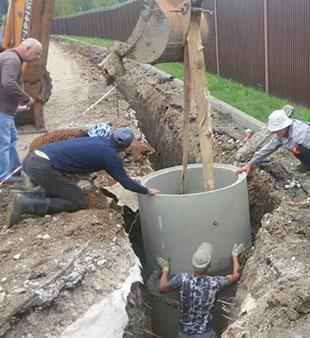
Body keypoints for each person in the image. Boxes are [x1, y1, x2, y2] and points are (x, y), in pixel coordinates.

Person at [6, 127, 160, 227]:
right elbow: (126, 182)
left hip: (31, 158)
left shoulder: (98, 140)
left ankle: (28, 195)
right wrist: (147, 190)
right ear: (125, 147)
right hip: (42, 167)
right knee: (78, 200)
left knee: (64, 189)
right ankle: (27, 203)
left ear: (111, 135)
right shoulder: (112, 157)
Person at [157, 242, 244, 338]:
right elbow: (236, 275)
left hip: (183, 334)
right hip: (205, 334)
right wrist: (234, 256)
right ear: (209, 264)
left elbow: (162, 288)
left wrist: (165, 270)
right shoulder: (214, 283)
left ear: (193, 263)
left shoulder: (182, 279)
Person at [237, 109, 310, 188]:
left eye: (276, 130)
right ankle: (309, 164)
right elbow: (267, 149)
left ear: (284, 126)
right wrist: (250, 164)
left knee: (300, 149)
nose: (275, 132)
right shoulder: (281, 134)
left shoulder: (301, 134)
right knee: (295, 148)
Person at [0, 38, 42, 183]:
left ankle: (14, 170)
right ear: (27, 49)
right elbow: (8, 83)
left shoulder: (10, 57)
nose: (36, 58)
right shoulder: (12, 60)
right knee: (3, 143)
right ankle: (4, 176)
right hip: (2, 111)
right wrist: (25, 98)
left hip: (6, 110)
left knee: (11, 139)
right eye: (36, 54)